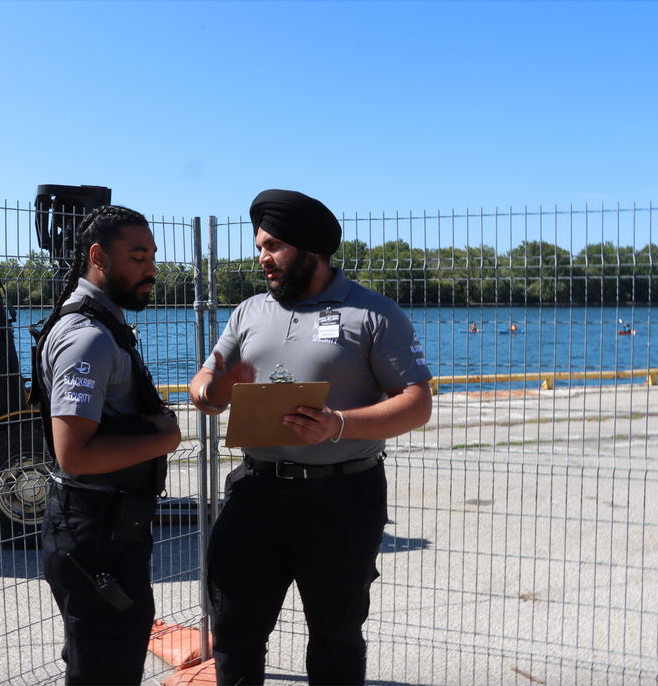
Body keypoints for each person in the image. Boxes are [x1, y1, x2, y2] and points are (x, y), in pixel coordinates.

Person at [190, 189, 433, 686]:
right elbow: (205, 382)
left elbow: (416, 402)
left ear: (313, 248)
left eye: (274, 246)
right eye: (260, 247)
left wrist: (338, 424)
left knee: (335, 637)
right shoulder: (249, 312)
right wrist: (211, 391)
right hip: (255, 491)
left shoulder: (374, 313)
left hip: (342, 498)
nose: (263, 258)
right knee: (233, 629)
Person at [32, 205, 182, 685]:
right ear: (98, 257)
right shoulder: (89, 339)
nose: (151, 269)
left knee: (106, 659)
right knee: (105, 667)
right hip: (96, 530)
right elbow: (73, 454)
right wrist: (165, 438)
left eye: (153, 256)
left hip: (108, 527)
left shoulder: (105, 324)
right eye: (138, 258)